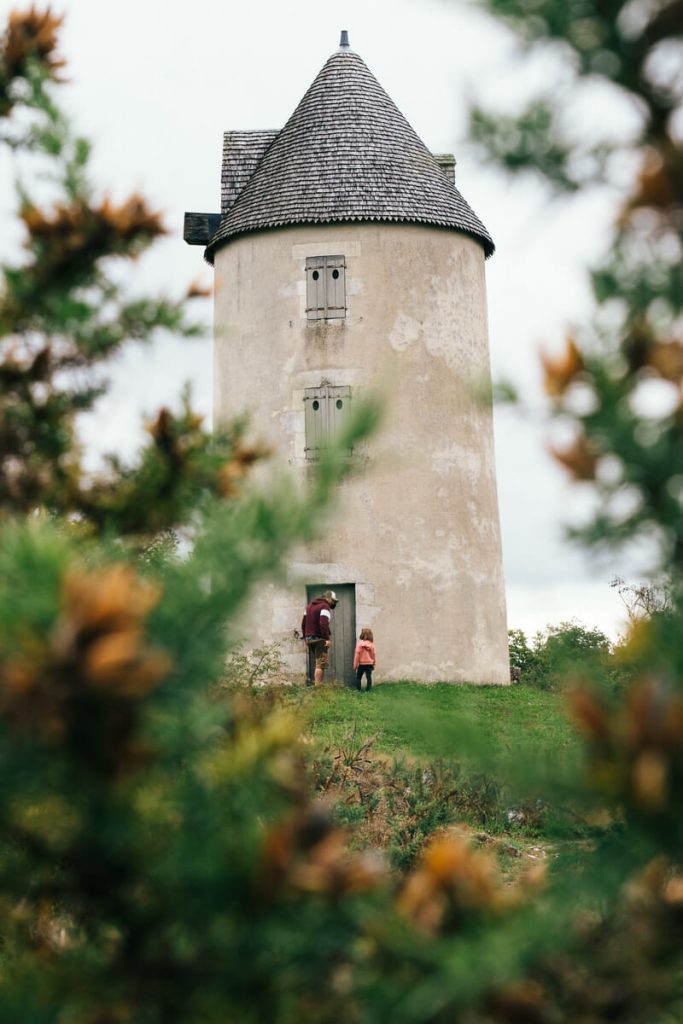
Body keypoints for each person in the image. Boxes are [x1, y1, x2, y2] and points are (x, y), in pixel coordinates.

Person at [301, 590, 338, 686]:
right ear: (328, 598)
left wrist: (305, 638)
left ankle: (318, 686)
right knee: (320, 665)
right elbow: (323, 623)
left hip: (310, 639)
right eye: (333, 601)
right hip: (319, 639)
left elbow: (303, 624)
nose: (333, 603)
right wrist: (327, 639)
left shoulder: (308, 607)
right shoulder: (325, 606)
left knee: (319, 663)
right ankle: (317, 690)